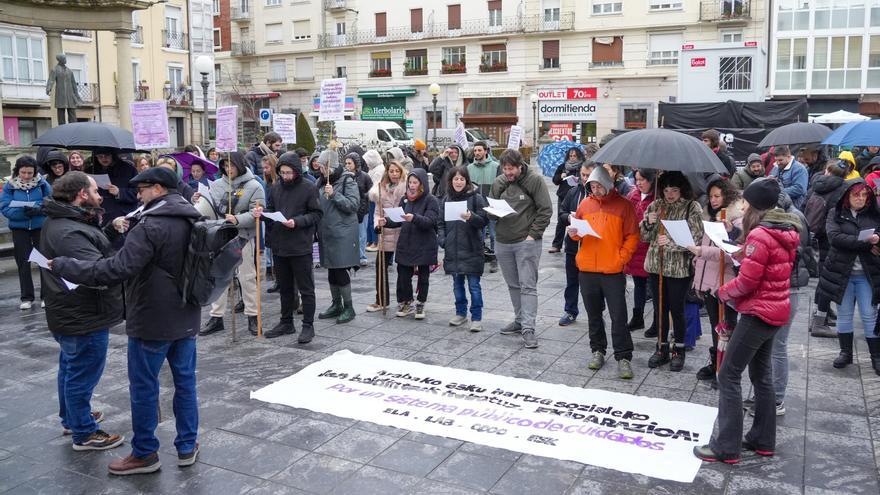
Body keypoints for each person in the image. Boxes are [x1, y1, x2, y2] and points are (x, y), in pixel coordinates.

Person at [51, 167, 202, 474]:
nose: (138, 195)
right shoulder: (193, 217)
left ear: (158, 190)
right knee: (185, 383)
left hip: (150, 319)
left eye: (143, 189)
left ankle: (145, 453)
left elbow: (114, 270)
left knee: (144, 387)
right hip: (186, 314)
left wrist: (65, 265)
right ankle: (187, 446)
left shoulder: (149, 226)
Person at [694, 178, 799, 464]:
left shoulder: (760, 236)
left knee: (728, 374)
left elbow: (748, 280)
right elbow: (762, 266)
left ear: (754, 206)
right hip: (777, 309)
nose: (741, 206)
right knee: (761, 375)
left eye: (745, 202)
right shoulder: (784, 230)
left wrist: (724, 293)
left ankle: (726, 447)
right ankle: (762, 439)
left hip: (758, 312)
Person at [39, 171, 125, 451]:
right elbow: (95, 271)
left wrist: (111, 230)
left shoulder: (68, 220)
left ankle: (72, 418)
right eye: (94, 190)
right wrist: (127, 260)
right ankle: (84, 433)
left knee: (70, 368)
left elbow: (88, 248)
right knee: (80, 374)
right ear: (81, 195)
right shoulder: (68, 230)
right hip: (83, 314)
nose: (100, 195)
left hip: (71, 311)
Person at [567, 166, 639, 378]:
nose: (596, 190)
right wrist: (574, 233)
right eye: (592, 186)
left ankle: (623, 356)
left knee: (619, 315)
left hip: (612, 269)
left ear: (608, 185)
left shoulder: (624, 206)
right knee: (593, 314)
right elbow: (577, 233)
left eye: (599, 186)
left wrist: (621, 258)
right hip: (587, 268)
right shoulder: (585, 203)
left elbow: (633, 236)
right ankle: (597, 350)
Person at [255, 152, 323, 342]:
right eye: (282, 172)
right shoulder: (276, 188)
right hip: (280, 245)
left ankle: (308, 326)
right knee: (284, 287)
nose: (285, 176)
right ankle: (286, 322)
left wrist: (297, 222)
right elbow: (272, 209)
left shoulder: (308, 188)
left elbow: (317, 214)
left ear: (297, 171)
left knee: (305, 288)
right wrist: (262, 213)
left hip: (300, 245)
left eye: (289, 173)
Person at [640, 171, 704, 371]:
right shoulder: (655, 205)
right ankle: (661, 348)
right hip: (655, 266)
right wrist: (648, 222)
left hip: (678, 269)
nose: (669, 194)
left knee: (677, 309)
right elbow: (643, 236)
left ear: (682, 190)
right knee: (659, 309)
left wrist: (669, 243)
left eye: (674, 190)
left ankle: (679, 349)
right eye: (666, 190)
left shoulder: (691, 207)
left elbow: (695, 238)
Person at [198, 151, 265, 337]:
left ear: (239, 165)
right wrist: (199, 201)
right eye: (225, 166)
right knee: (218, 277)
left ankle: (253, 316)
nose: (228, 169)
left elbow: (257, 213)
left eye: (231, 165)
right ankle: (216, 317)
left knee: (247, 277)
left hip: (243, 236)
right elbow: (209, 208)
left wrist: (237, 219)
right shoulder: (217, 185)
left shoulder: (254, 185)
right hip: (220, 236)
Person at [491, 149, 553, 349]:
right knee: (513, 285)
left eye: (511, 169)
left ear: (520, 166)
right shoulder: (499, 182)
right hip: (503, 240)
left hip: (526, 242)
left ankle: (528, 328)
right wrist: (491, 212)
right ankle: (519, 320)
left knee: (527, 286)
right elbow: (491, 209)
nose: (508, 173)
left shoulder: (534, 180)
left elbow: (546, 210)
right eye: (505, 169)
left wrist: (532, 236)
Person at [816, 179, 880, 373]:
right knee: (844, 314)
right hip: (841, 273)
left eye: (864, 195)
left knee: (869, 315)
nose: (860, 199)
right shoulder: (835, 214)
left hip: (866, 274)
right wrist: (867, 243)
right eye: (856, 195)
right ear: (847, 196)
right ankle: (846, 353)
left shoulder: (874, 215)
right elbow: (836, 238)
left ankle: (876, 356)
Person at [689, 178, 743, 383]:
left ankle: (728, 365)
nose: (713, 200)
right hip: (709, 279)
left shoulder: (736, 221)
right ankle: (715, 361)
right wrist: (697, 258)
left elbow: (733, 253)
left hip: (726, 281)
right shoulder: (709, 218)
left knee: (727, 325)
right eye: (711, 196)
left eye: (717, 196)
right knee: (715, 324)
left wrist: (703, 252)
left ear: (727, 197)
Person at [381, 168, 439, 320]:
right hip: (406, 242)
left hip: (424, 243)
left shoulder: (430, 200)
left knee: (423, 276)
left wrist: (414, 218)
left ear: (422, 184)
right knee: (403, 275)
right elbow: (398, 218)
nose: (412, 186)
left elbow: (430, 221)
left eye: (415, 182)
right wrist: (385, 222)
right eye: (410, 183)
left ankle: (421, 302)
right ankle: (407, 300)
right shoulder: (405, 199)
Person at [439, 166, 488, 331]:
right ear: (450, 181)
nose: (458, 182)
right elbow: (440, 223)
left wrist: (471, 217)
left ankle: (476, 317)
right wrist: (443, 240)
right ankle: (460, 313)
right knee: (457, 285)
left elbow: (484, 221)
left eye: (461, 179)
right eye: (455, 179)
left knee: (474, 286)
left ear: (466, 181)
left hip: (472, 249)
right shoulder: (446, 199)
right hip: (453, 250)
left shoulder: (476, 198)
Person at [1, 156, 51, 309]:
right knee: (23, 262)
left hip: (39, 227)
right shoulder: (10, 186)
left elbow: (50, 201)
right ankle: (26, 297)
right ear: (18, 171)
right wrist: (24, 213)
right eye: (23, 172)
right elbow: (5, 207)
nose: (27, 176)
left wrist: (37, 209)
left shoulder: (43, 184)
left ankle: (46, 296)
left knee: (43, 261)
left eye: (30, 173)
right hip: (19, 229)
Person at [805, 160, 849, 337]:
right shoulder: (843, 188)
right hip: (831, 238)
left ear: (827, 171)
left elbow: (805, 206)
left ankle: (821, 312)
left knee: (825, 275)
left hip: (816, 235)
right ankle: (819, 321)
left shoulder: (816, 184)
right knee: (829, 277)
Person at [317, 149, 361, 324]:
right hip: (327, 231)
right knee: (331, 270)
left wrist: (335, 195)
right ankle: (336, 304)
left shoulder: (347, 180)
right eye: (320, 167)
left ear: (332, 166)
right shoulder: (320, 182)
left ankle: (349, 307)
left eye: (324, 167)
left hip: (343, 232)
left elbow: (353, 204)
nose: (321, 170)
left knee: (341, 269)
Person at [557, 161, 598, 327]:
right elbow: (561, 212)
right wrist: (569, 218)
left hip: (593, 245)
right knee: (572, 280)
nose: (586, 179)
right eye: (583, 175)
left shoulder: (599, 195)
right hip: (573, 245)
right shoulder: (574, 192)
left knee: (593, 285)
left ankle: (596, 313)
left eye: (589, 175)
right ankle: (570, 310)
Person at [367, 160, 407, 312]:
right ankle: (381, 300)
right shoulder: (381, 188)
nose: (394, 174)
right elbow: (378, 211)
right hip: (387, 232)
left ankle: (404, 300)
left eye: (397, 171)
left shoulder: (407, 187)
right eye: (391, 171)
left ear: (401, 172)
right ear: (387, 173)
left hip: (403, 231)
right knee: (380, 266)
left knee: (403, 269)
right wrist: (377, 223)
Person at [625, 168, 656, 334]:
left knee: (655, 286)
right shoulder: (633, 195)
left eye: (642, 180)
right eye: (636, 179)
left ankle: (657, 322)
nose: (638, 183)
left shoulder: (656, 198)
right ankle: (638, 317)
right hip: (636, 247)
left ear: (651, 180)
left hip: (650, 248)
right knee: (639, 284)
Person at [468, 141, 500, 273]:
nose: (477, 153)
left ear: (486, 151)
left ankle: (494, 260)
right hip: (477, 207)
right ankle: (480, 257)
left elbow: (500, 186)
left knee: (493, 235)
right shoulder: (469, 168)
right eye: (475, 151)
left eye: (479, 150)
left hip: (492, 205)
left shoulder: (496, 166)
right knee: (478, 235)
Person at [84, 149, 139, 225]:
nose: (103, 159)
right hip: (99, 215)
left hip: (121, 216)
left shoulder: (128, 169)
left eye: (106, 156)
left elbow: (137, 192)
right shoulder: (90, 170)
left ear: (113, 155)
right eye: (100, 156)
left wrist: (119, 192)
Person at [550, 147, 587, 253]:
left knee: (576, 219)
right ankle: (557, 245)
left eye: (574, 156)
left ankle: (574, 243)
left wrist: (577, 180)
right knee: (561, 220)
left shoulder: (582, 167)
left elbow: (585, 179)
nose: (572, 158)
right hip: (563, 196)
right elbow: (555, 180)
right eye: (570, 156)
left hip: (576, 196)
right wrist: (561, 176)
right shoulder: (563, 166)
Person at [344, 153, 374, 267]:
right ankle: (352, 256)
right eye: (346, 163)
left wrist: (364, 196)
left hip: (363, 209)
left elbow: (372, 191)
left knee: (362, 235)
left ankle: (361, 256)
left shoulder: (365, 176)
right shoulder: (344, 176)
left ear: (356, 164)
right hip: (350, 208)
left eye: (349, 163)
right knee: (351, 234)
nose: (347, 165)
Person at [364, 149, 385, 252]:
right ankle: (370, 240)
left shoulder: (379, 169)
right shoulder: (373, 168)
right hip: (370, 196)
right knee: (370, 220)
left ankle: (375, 241)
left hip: (375, 197)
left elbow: (376, 184)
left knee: (374, 220)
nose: (366, 163)